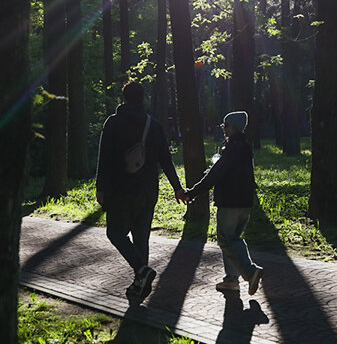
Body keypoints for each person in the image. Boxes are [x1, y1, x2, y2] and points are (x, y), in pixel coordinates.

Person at [96, 81, 186, 299]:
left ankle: (142, 271)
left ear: (124, 98)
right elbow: (166, 160)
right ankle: (140, 285)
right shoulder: (153, 126)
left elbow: (105, 158)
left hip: (122, 189)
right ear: (142, 98)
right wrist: (177, 188)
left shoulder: (114, 123)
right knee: (141, 237)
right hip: (148, 190)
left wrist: (101, 187)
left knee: (115, 232)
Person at [182, 111, 264, 295]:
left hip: (230, 202)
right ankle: (231, 280)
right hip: (245, 203)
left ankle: (250, 272)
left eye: (225, 125)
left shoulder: (232, 148)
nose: (223, 128)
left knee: (226, 240)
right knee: (233, 239)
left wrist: (192, 192)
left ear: (233, 127)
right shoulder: (245, 147)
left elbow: (215, 175)